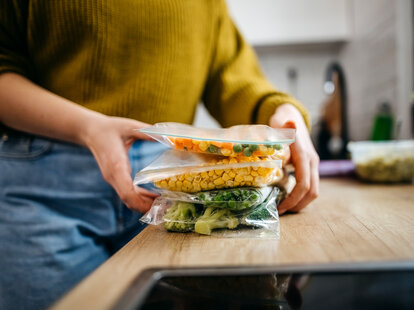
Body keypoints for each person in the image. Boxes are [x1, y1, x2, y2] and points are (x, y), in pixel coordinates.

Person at [0, 1, 319, 309]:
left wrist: (282, 113)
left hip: (175, 191)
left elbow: (232, 78)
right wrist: (88, 127)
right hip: (44, 193)